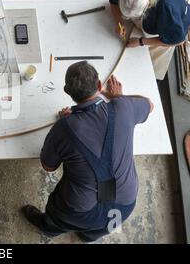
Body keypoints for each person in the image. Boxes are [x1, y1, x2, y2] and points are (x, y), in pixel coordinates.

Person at [22, 61, 154, 242]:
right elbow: (150, 104)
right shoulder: (123, 107)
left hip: (77, 210)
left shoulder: (64, 127)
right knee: (101, 227)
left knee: (58, 217)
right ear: (99, 86)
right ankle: (87, 236)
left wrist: (65, 124)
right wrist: (119, 98)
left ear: (67, 92)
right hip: (124, 205)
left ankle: (49, 229)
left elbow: (48, 166)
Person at [109, 0, 190, 80]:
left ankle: (149, 79)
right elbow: (113, 2)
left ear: (147, 7)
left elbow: (177, 41)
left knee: (148, 64)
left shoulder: (167, 11)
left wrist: (140, 42)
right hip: (156, 8)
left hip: (178, 17)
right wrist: (119, 23)